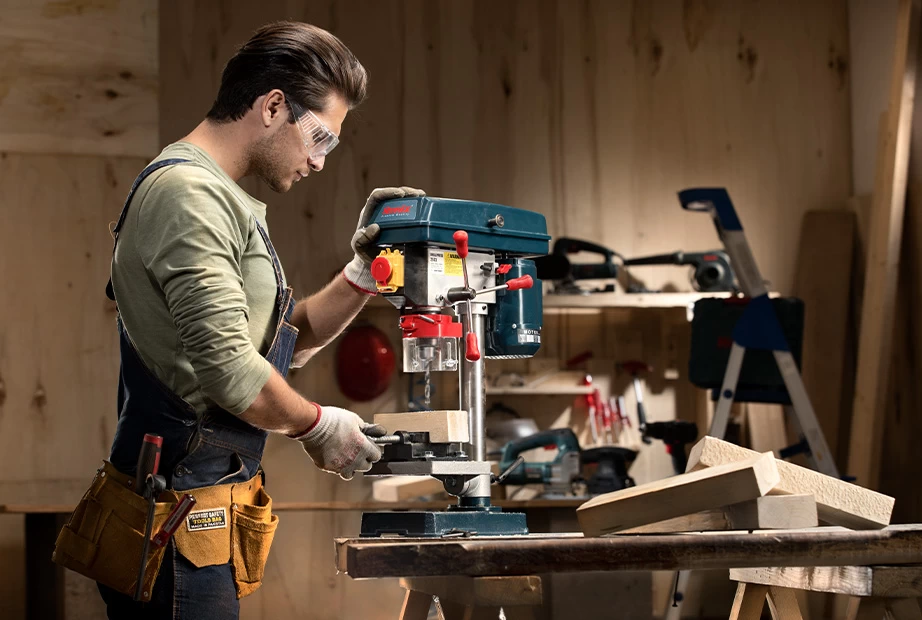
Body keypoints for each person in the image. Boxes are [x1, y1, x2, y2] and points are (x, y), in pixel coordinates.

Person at [87, 20, 421, 618]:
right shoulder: (189, 194)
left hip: (202, 510)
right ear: (273, 107)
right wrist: (318, 426)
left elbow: (279, 342)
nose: (321, 162)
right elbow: (231, 372)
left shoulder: (216, 194)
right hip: (177, 517)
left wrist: (363, 273)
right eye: (321, 138)